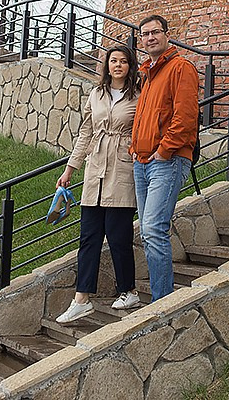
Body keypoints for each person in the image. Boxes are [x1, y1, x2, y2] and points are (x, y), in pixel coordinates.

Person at [55, 46, 142, 324]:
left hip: (122, 169)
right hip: (95, 171)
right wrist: (70, 169)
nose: (117, 65)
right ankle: (81, 299)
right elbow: (86, 133)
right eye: (113, 61)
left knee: (118, 238)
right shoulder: (96, 94)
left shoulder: (138, 96)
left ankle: (128, 290)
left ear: (130, 66)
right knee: (89, 238)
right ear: (106, 65)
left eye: (123, 61)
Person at [129, 15, 200, 302]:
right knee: (149, 232)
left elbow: (185, 117)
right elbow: (144, 118)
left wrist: (164, 150)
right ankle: (161, 297)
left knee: (153, 229)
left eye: (155, 32)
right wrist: (134, 147)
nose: (149, 38)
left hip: (166, 161)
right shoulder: (148, 74)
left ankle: (162, 301)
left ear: (168, 35)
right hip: (142, 162)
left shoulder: (181, 68)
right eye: (144, 34)